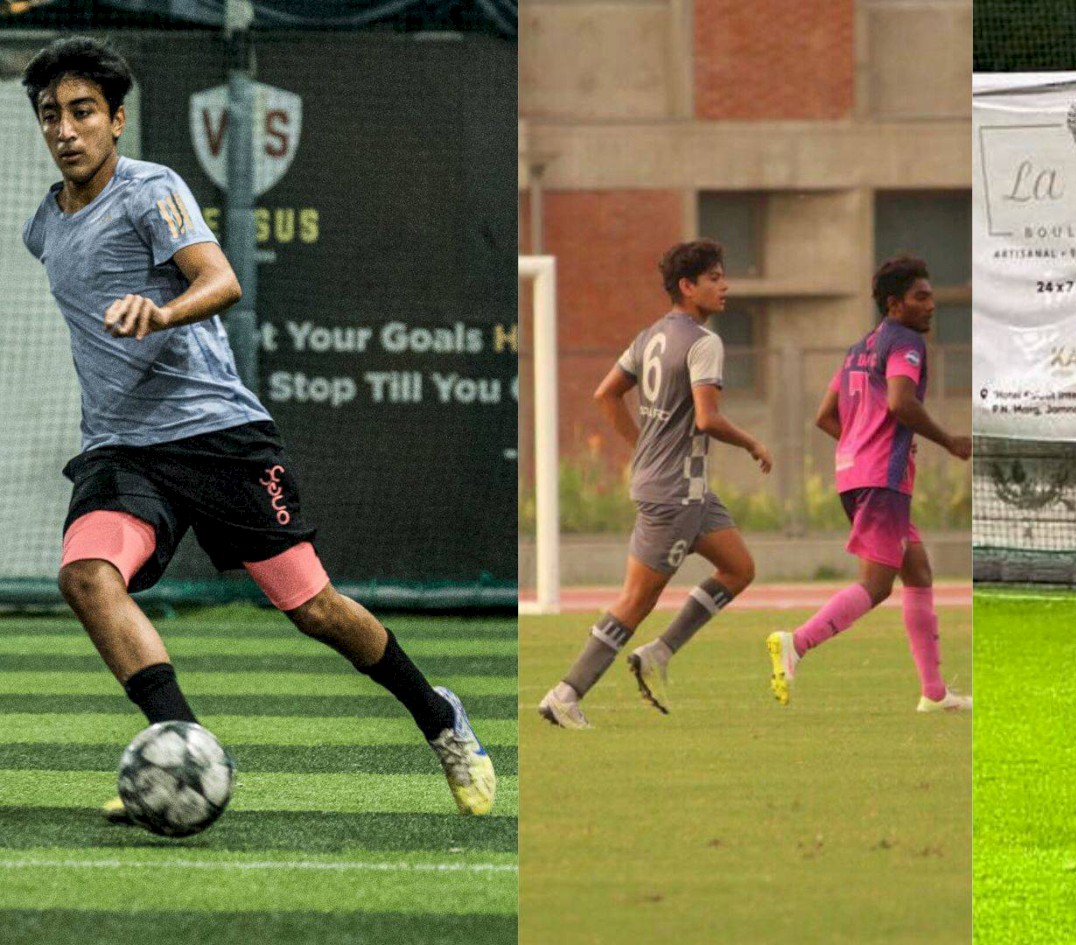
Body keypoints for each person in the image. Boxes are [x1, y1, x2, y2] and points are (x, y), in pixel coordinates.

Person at [20, 37, 494, 820]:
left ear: (116, 119)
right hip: (122, 446)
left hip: (217, 435)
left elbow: (222, 278)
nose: (66, 130)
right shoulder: (44, 225)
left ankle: (440, 718)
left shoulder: (151, 190)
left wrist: (159, 309)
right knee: (86, 577)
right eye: (50, 116)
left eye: (82, 112)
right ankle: (186, 755)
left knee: (314, 609)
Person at [538, 239, 772, 728]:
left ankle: (660, 652)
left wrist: (644, 446)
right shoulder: (705, 343)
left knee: (738, 568)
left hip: (687, 490)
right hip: (674, 493)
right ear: (688, 287)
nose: (724, 285)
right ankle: (565, 694)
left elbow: (607, 394)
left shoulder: (649, 336)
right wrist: (752, 442)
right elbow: (707, 419)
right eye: (713, 278)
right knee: (636, 601)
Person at [766, 256, 973, 712]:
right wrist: (949, 440)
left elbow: (824, 416)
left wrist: (860, 442)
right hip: (883, 479)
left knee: (917, 571)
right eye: (921, 297)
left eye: (931, 295)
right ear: (895, 304)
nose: (931, 305)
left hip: (854, 474)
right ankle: (795, 643)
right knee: (877, 585)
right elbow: (900, 402)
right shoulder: (906, 344)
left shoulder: (858, 348)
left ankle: (934, 694)